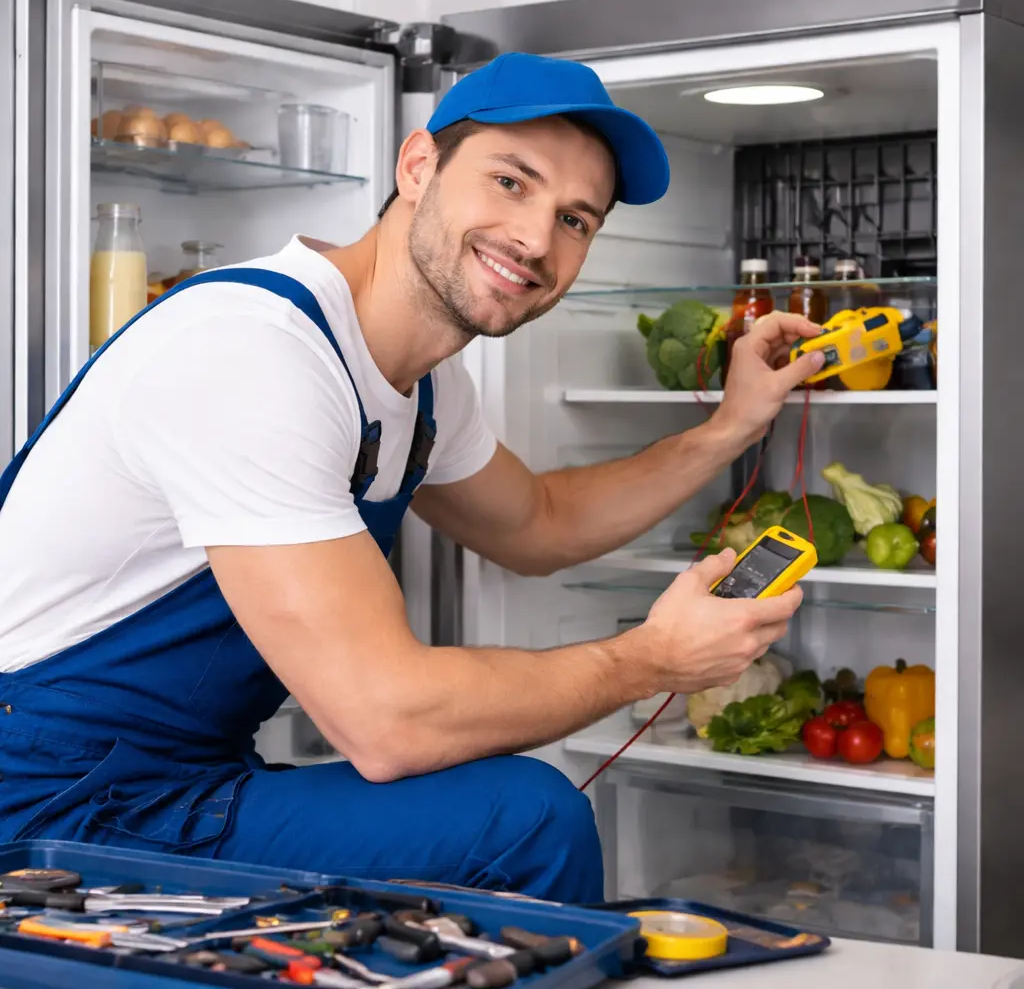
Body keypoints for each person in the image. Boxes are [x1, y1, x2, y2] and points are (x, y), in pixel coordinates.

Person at [0, 52, 824, 903]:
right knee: (524, 820)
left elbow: (539, 525)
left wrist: (732, 425)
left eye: (576, 219)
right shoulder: (251, 350)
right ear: (417, 165)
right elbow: (385, 719)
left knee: (509, 819)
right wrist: (651, 660)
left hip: (174, 786)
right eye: (511, 182)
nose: (537, 239)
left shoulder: (423, 382)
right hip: (41, 806)